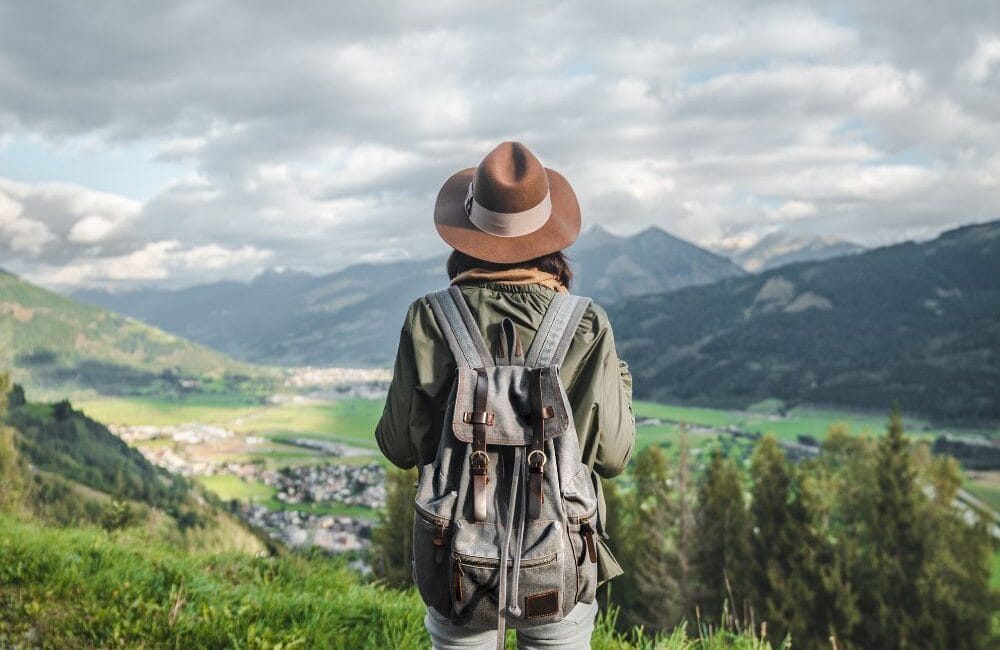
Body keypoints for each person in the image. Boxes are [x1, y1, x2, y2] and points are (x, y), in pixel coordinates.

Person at [375, 141, 636, 649]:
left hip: (455, 556)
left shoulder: (429, 318)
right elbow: (615, 455)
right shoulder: (585, 324)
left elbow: (397, 446)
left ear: (467, 234)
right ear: (550, 236)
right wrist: (618, 377)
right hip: (559, 554)